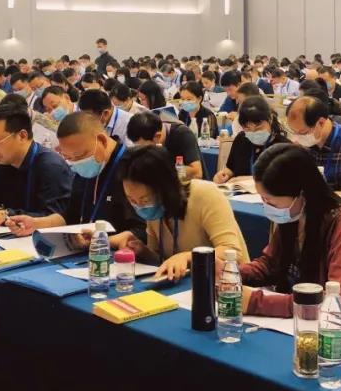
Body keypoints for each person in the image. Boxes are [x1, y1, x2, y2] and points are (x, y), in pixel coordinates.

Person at [236, 143, 341, 322]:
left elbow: (339, 302)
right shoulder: (292, 216)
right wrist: (231, 273)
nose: (266, 206)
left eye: (270, 201)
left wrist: (257, 302)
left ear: (302, 194)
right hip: (305, 318)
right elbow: (270, 265)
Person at [113, 145, 249, 280]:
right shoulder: (155, 211)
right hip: (185, 284)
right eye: (132, 200)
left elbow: (232, 252)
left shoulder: (206, 195)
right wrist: (142, 251)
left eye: (145, 200)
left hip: (227, 285)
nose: (140, 206)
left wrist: (188, 257)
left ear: (165, 189)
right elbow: (160, 259)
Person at [7, 111, 144, 242]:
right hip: (87, 248)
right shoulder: (86, 168)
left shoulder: (134, 167)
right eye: (68, 158)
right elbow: (70, 215)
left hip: (117, 252)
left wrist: (100, 242)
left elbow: (142, 231)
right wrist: (36, 223)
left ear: (102, 140)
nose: (75, 163)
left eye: (79, 156)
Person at [0, 105, 74, 230]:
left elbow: (55, 218)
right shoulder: (5, 164)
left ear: (22, 136)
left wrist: (5, 216)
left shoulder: (51, 166)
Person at [212, 96, 289, 183]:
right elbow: (231, 169)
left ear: (270, 119)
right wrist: (224, 174)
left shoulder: (283, 147)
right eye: (247, 129)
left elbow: (283, 181)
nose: (254, 132)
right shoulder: (241, 139)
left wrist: (247, 180)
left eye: (259, 128)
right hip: (239, 190)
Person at [125, 111, 203, 180]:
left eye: (143, 147)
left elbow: (197, 173)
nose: (142, 150)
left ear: (157, 136)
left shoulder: (182, 134)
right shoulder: (149, 137)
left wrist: (164, 169)